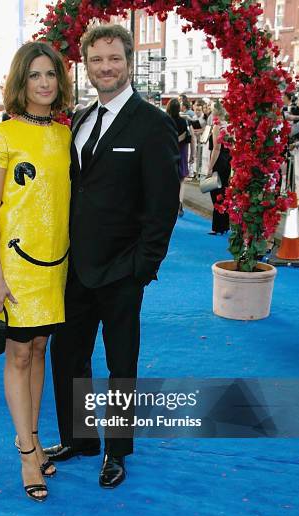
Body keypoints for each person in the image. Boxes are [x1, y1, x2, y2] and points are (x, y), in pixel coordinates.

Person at [45, 24, 179, 489]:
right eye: (97, 60)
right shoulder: (81, 119)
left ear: (128, 61)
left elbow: (164, 205)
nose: (106, 67)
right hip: (74, 269)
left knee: (121, 366)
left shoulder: (153, 122)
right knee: (69, 358)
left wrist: (143, 267)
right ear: (86, 64)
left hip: (123, 271)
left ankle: (116, 452)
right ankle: (80, 439)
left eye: (115, 59)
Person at [0, 41, 72, 502]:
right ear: (21, 81)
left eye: (50, 75)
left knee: (38, 349)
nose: (43, 83)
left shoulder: (63, 134)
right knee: (18, 355)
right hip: (15, 266)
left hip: (55, 263)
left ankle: (34, 438)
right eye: (35, 75)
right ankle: (24, 451)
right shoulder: (3, 135)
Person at [206, 100, 231, 235]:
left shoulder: (217, 126)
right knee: (224, 192)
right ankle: (224, 225)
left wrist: (210, 167)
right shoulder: (229, 125)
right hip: (227, 160)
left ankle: (218, 226)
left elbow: (216, 148)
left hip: (219, 160)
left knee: (216, 193)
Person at [166, 97, 189, 216]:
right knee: (182, 179)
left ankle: (170, 203)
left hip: (169, 151)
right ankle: (180, 202)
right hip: (182, 150)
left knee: (169, 179)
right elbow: (187, 137)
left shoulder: (165, 120)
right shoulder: (183, 121)